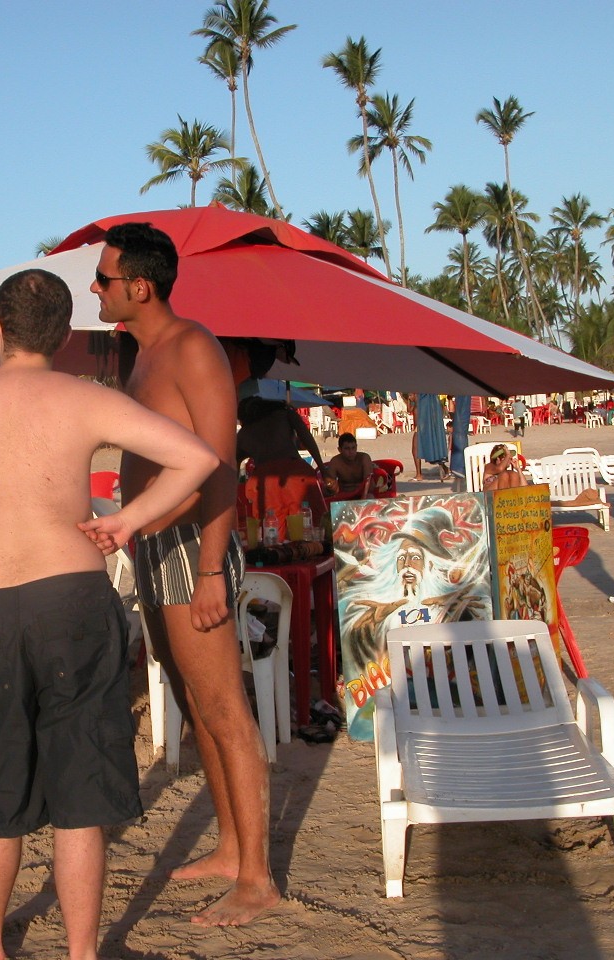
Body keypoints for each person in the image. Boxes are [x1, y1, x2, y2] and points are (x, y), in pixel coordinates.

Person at [0, 268, 218, 960]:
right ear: (66, 337)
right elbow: (196, 457)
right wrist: (128, 520)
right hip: (71, 600)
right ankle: (80, 953)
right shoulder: (82, 398)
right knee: (80, 792)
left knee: (3, 778)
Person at [93, 221, 280, 926]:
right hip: (154, 544)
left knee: (224, 708)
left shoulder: (192, 347)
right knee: (191, 699)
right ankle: (233, 848)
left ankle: (257, 878)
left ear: (140, 287)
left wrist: (209, 570)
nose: (96, 289)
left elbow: (220, 465)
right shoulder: (138, 356)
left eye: (105, 279)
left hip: (191, 548)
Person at [235, 395, 328, 537]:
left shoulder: (243, 435)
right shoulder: (284, 414)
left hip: (264, 481)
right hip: (297, 474)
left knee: (274, 536)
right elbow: (307, 438)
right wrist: (322, 469)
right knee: (313, 530)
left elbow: (233, 467)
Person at [324, 431, 377, 498]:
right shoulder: (335, 462)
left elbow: (370, 485)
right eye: (347, 448)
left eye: (353, 448)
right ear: (339, 449)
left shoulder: (364, 458)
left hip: (363, 494)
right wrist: (331, 486)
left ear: (356, 447)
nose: (351, 452)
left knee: (370, 497)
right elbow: (329, 487)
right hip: (343, 496)